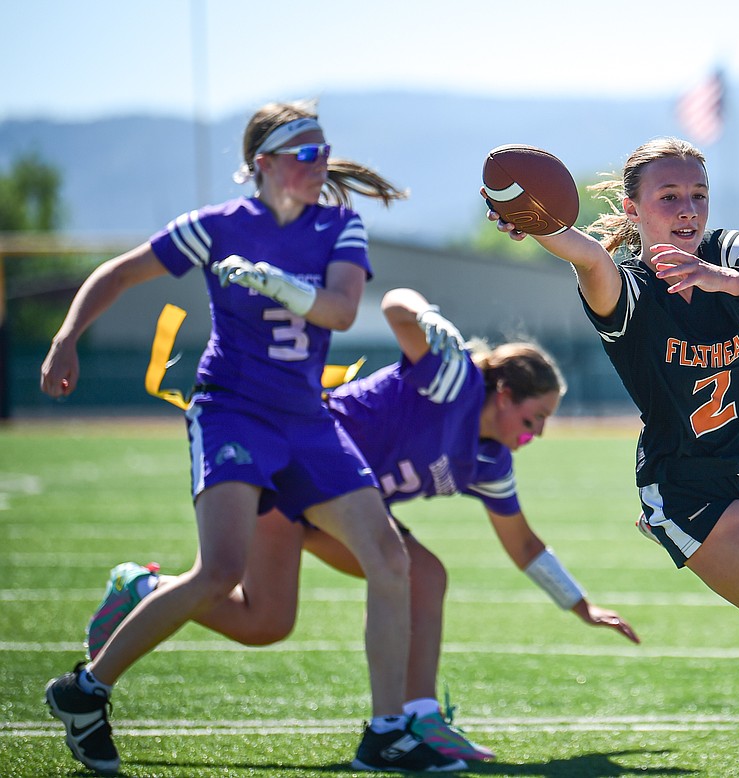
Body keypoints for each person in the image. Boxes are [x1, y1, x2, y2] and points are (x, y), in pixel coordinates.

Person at [40, 100, 463, 773]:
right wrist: (66, 338)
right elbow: (118, 272)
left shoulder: (338, 225)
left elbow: (344, 309)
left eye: (323, 150)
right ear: (263, 164)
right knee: (221, 571)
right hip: (233, 410)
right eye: (304, 153)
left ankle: (385, 732)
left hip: (306, 418)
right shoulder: (216, 227)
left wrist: (282, 286)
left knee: (389, 559)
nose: (319, 163)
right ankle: (85, 690)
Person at [86, 287, 640, 763]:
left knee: (357, 595)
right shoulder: (452, 379)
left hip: (339, 508)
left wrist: (579, 604)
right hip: (293, 471)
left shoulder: (491, 460)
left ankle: (417, 718)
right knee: (323, 602)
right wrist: (428, 314)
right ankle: (146, 592)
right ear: (503, 394)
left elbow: (522, 544)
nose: (537, 433)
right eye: (534, 417)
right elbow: (398, 306)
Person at [484, 136, 739, 778]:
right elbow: (582, 253)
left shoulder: (728, 253)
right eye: (669, 196)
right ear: (634, 209)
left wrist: (724, 278)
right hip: (694, 485)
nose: (688, 208)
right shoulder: (624, 289)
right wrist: (532, 217)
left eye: (698, 195)